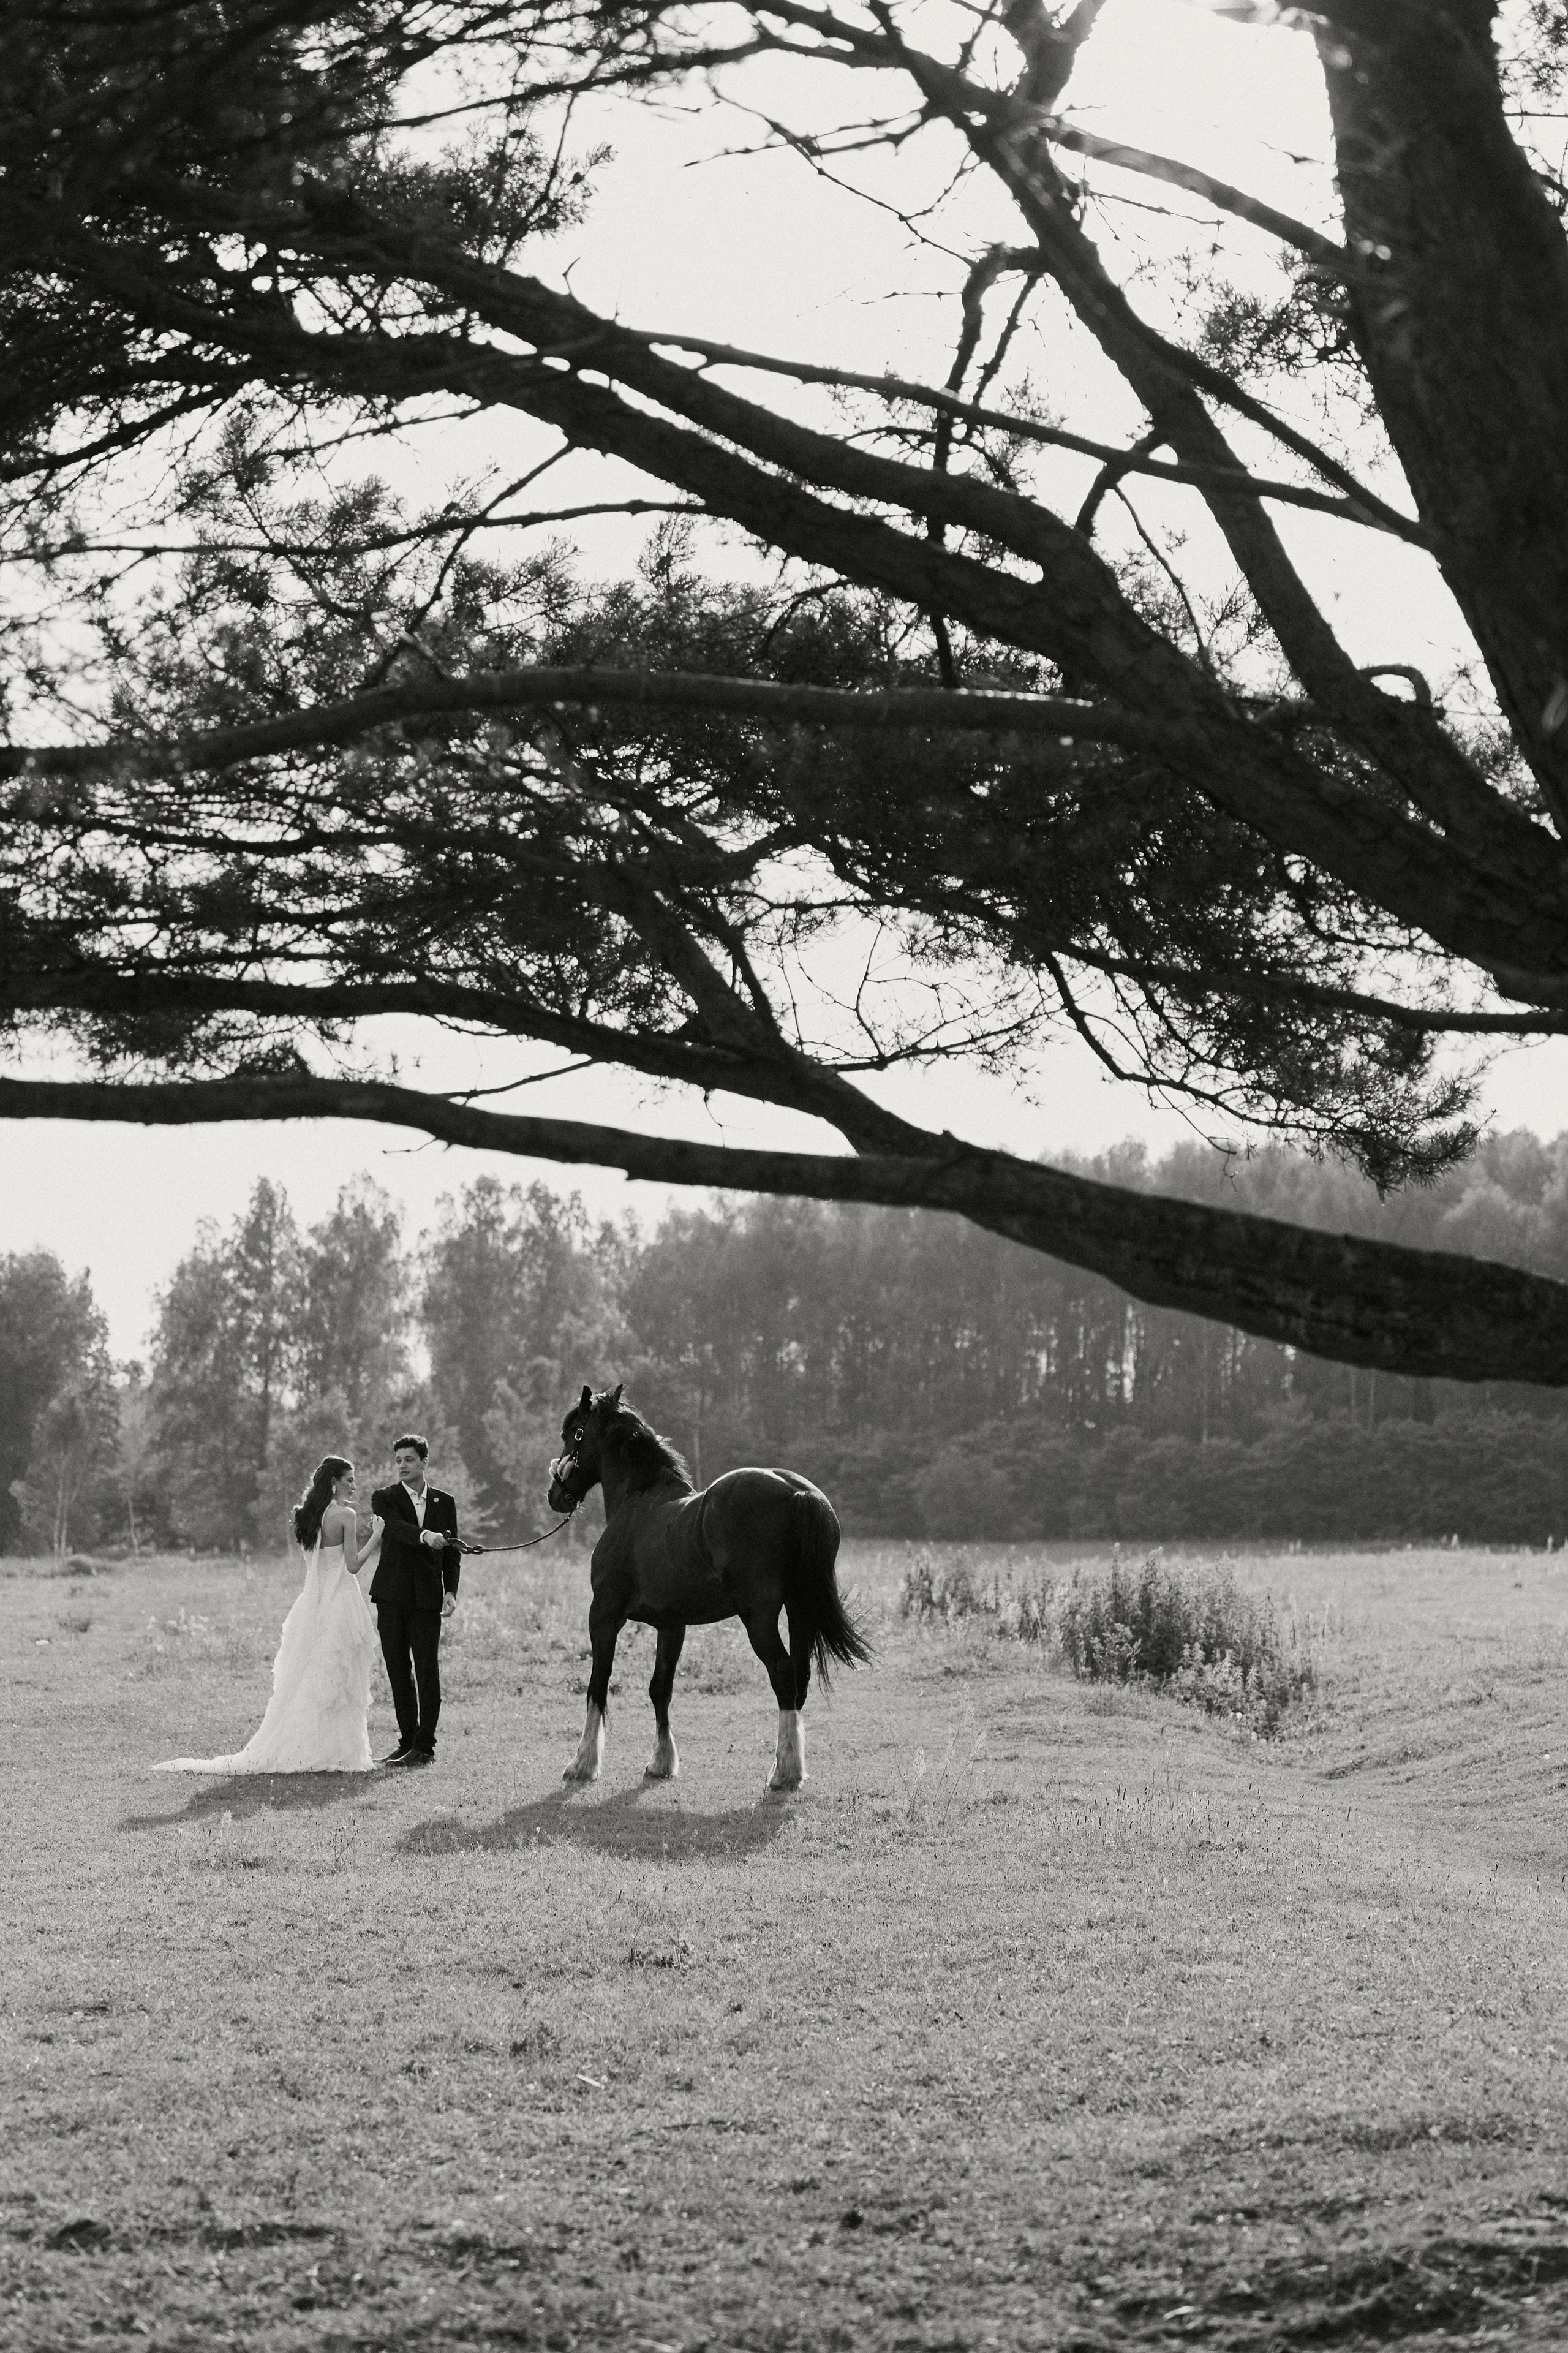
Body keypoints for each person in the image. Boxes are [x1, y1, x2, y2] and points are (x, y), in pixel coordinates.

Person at [153, 1457, 382, 1775]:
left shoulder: (308, 1516)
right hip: (340, 1601)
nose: (354, 1486)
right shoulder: (345, 1515)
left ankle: (317, 1747)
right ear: (334, 1483)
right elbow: (353, 1565)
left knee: (310, 1677)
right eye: (350, 1480)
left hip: (313, 1603)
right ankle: (335, 1751)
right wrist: (377, 1536)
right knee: (337, 1678)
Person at [369, 1433, 460, 1768]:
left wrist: (451, 1590)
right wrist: (426, 1536)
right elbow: (394, 1528)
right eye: (398, 1461)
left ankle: (425, 1747)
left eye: (409, 1460)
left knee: (426, 1670)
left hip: (427, 1599)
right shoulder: (384, 1498)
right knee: (397, 1671)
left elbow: (452, 1553)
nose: (402, 1466)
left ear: (424, 1462)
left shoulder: (445, 1502)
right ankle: (407, 1742)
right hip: (391, 1596)